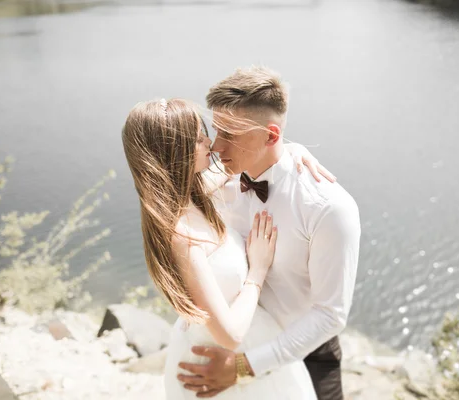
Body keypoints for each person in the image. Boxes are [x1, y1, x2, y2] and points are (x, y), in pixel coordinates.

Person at [122, 98, 333, 399]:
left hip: (249, 346)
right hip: (217, 363)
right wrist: (257, 271)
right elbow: (230, 335)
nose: (209, 141)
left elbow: (258, 159)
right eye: (197, 138)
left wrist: (293, 151)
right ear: (173, 154)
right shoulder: (182, 236)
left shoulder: (192, 195)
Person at [177, 66, 361, 400]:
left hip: (305, 354)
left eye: (230, 134)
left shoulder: (328, 208)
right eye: (216, 131)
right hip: (233, 341)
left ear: (272, 136)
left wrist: (245, 367)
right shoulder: (219, 181)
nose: (217, 147)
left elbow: (330, 314)